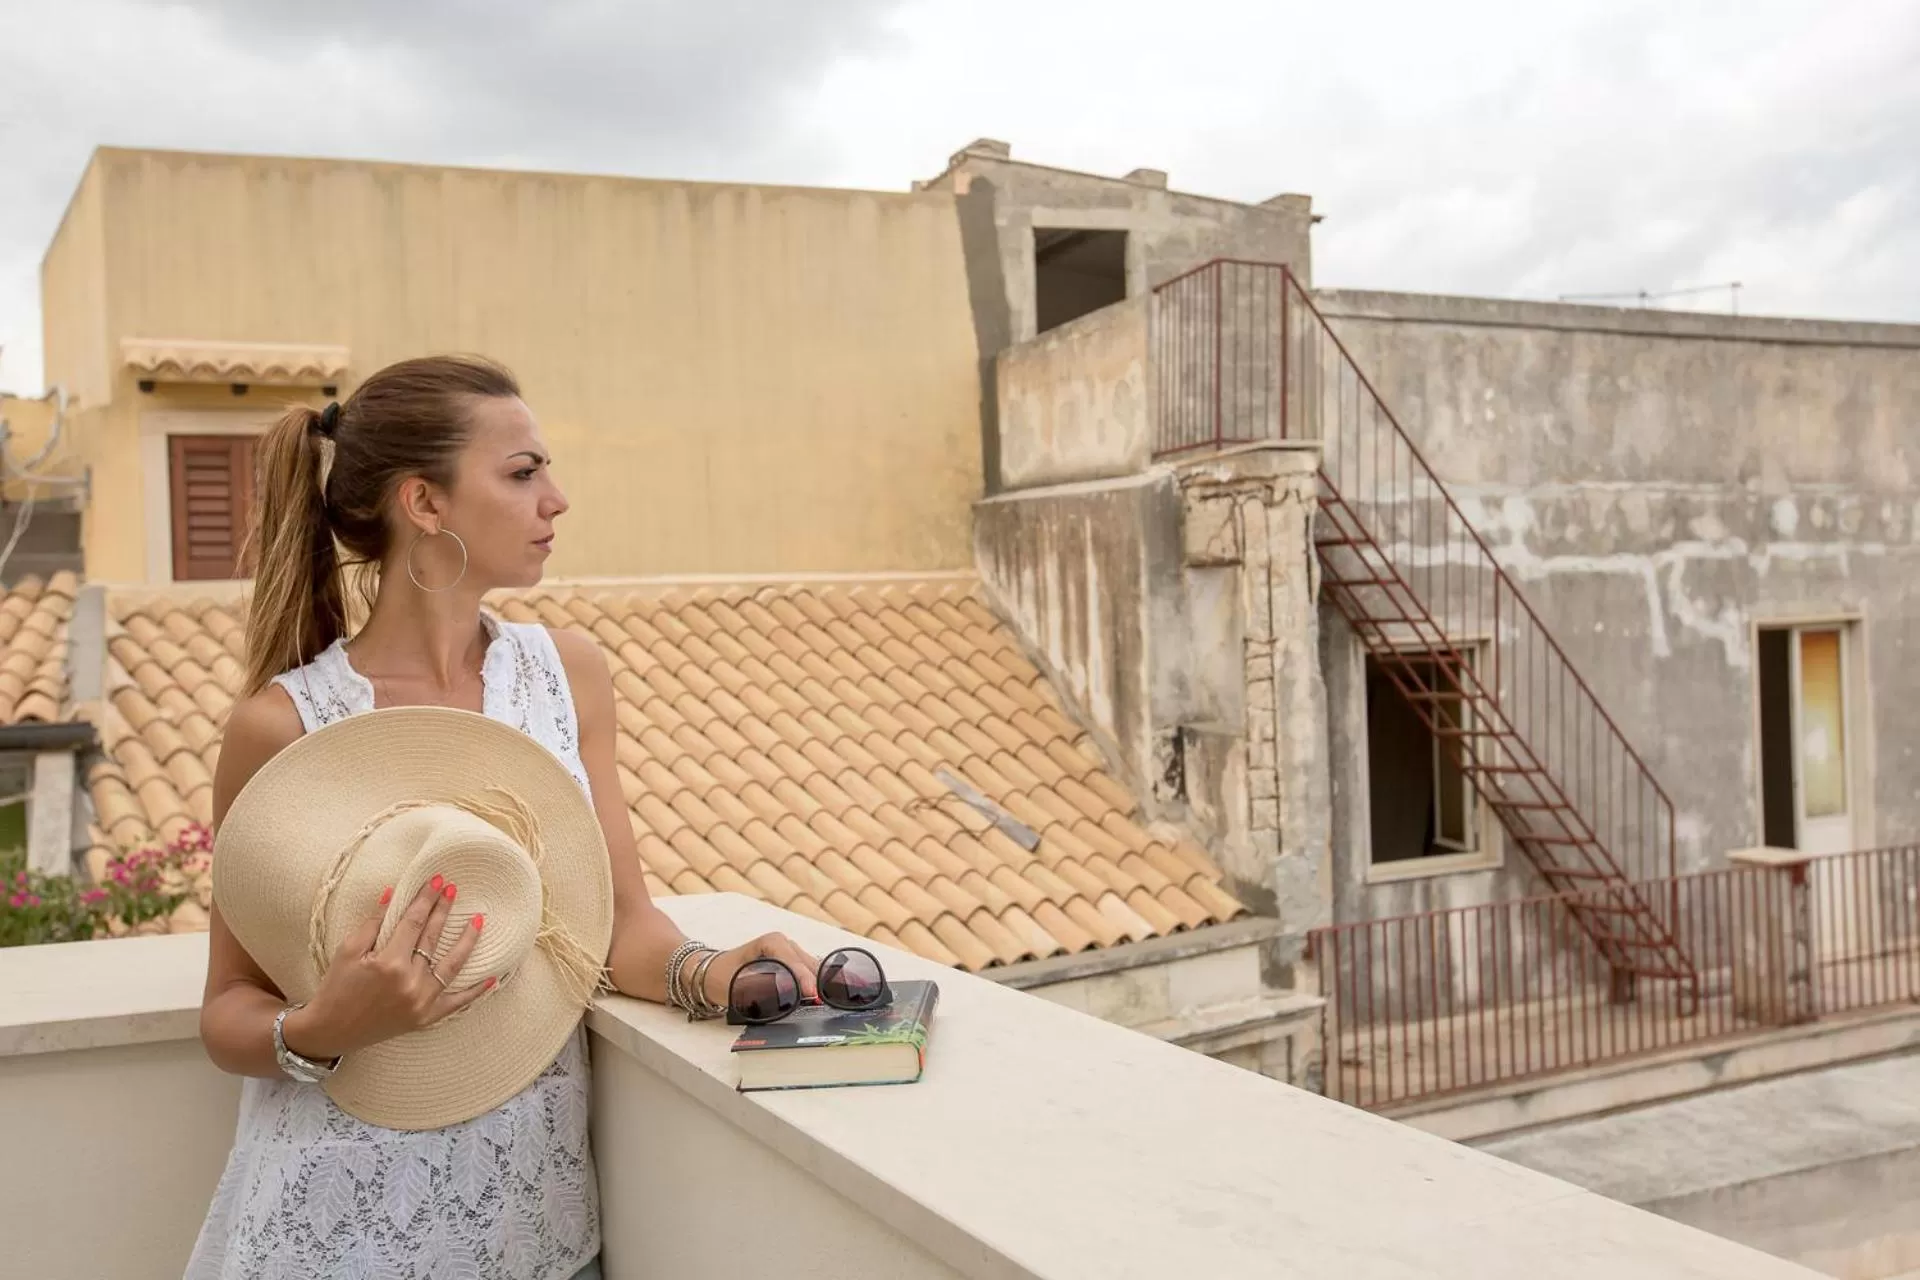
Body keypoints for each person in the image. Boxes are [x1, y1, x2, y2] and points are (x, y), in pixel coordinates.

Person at [186, 354, 822, 1279]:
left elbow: (615, 927)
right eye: (523, 473)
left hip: (533, 1219)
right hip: (333, 1225)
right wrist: (322, 1025)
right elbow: (228, 1009)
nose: (556, 500)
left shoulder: (566, 677)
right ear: (426, 504)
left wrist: (718, 972)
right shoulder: (282, 727)